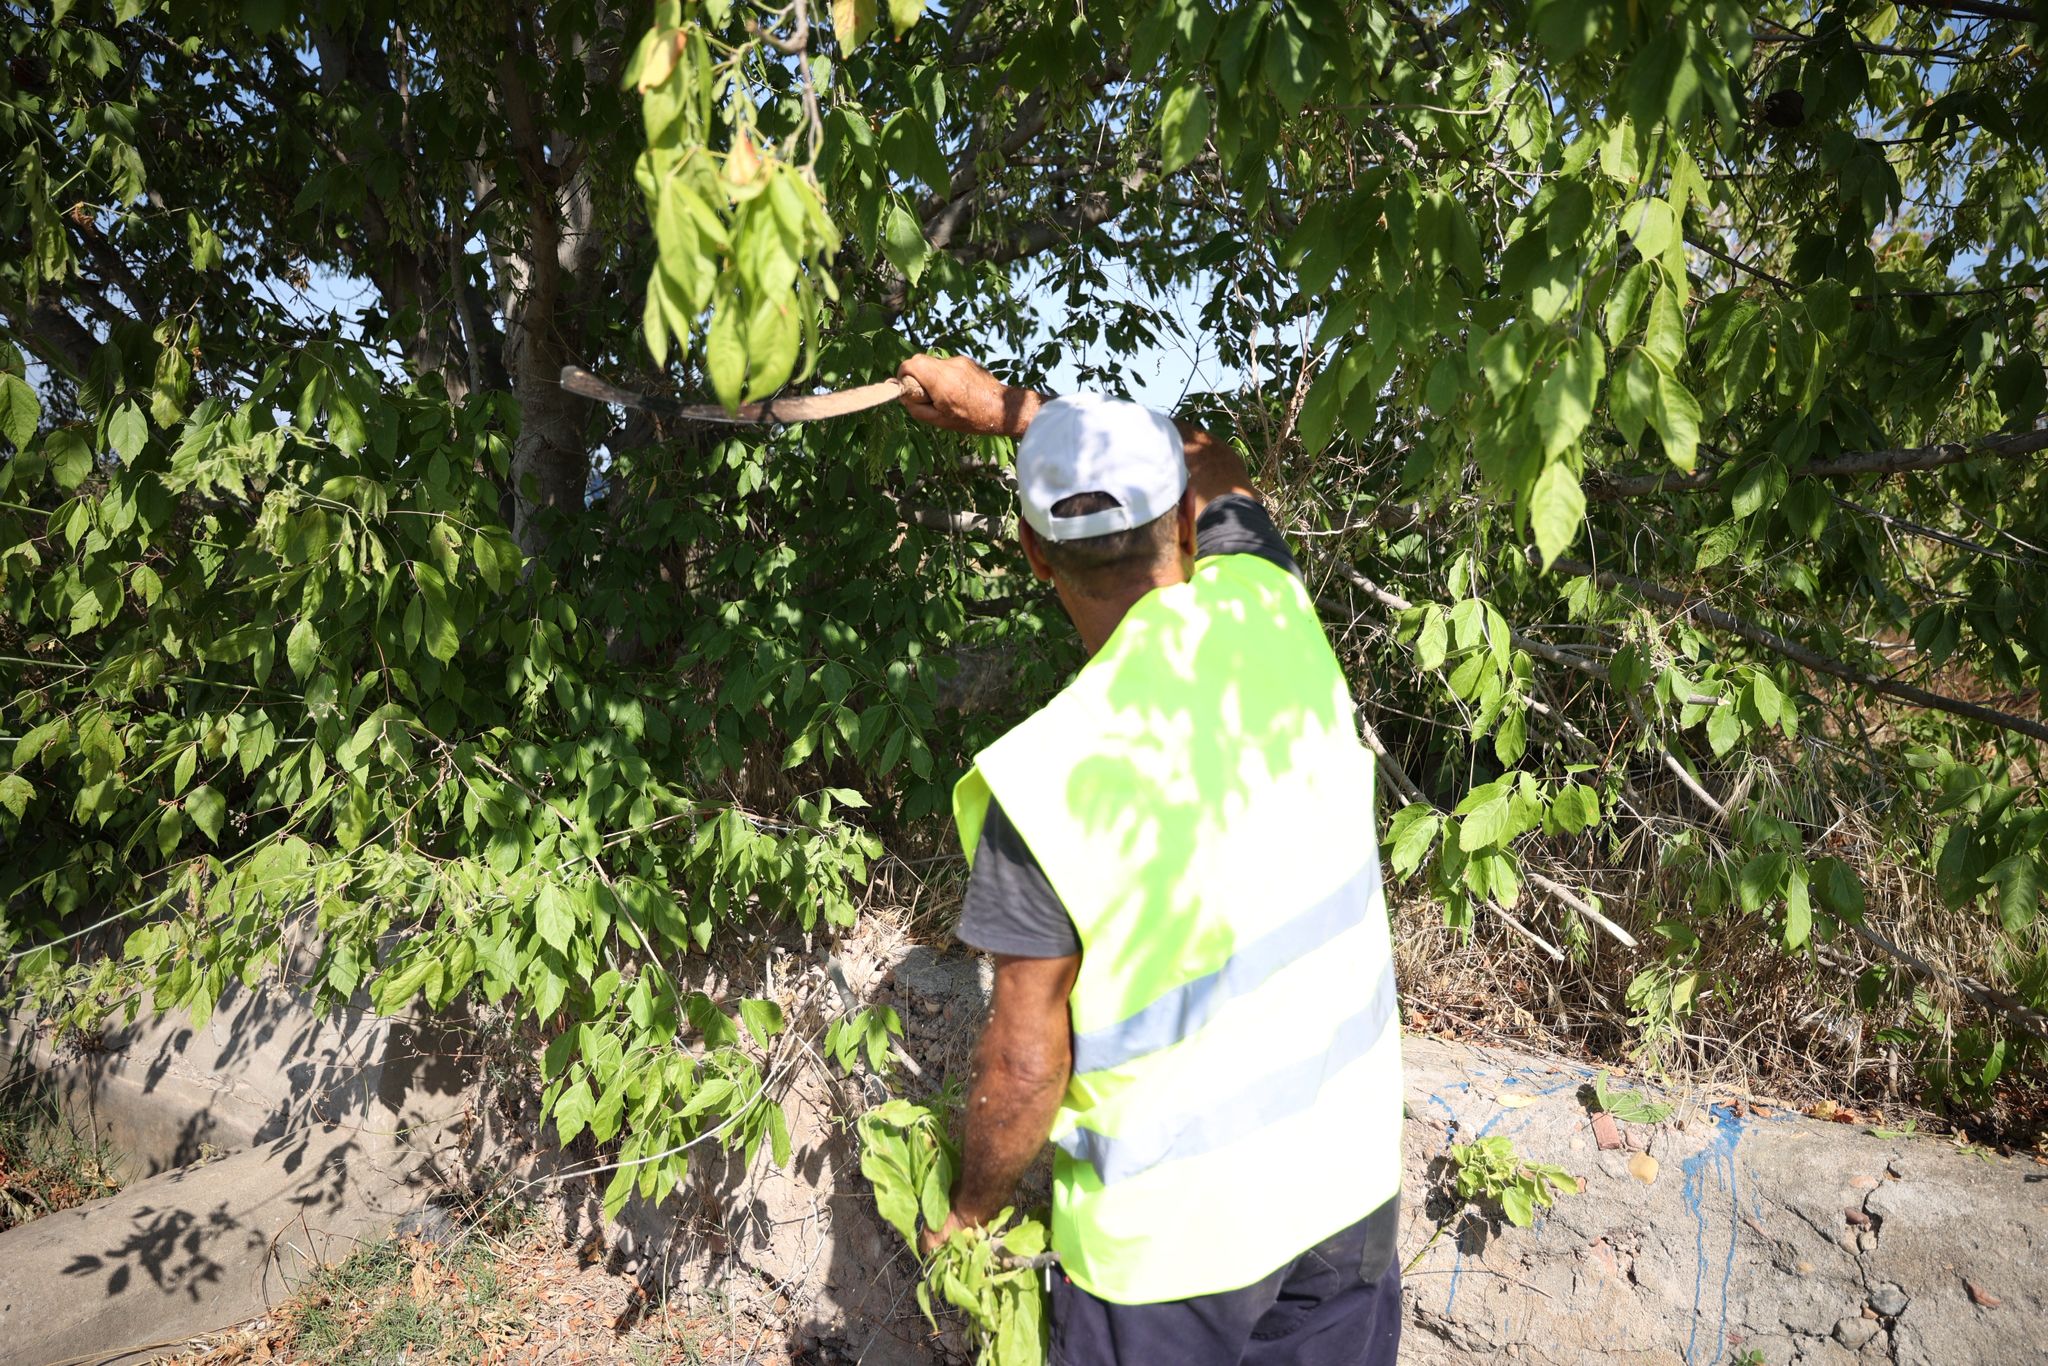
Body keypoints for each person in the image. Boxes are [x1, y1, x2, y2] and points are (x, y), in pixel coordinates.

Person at [892, 353, 1405, 1366]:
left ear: (1034, 554)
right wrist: (1012, 411)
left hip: (1166, 1260)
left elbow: (1023, 1065)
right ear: (1180, 525)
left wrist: (971, 1206)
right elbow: (1208, 453)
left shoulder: (1041, 776)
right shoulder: (1273, 617)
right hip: (1343, 1193)